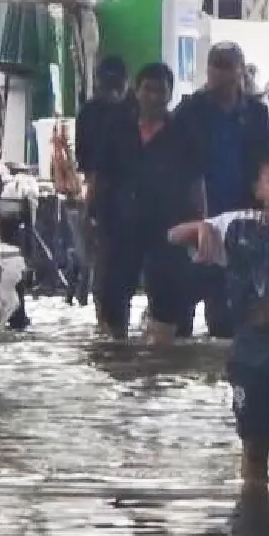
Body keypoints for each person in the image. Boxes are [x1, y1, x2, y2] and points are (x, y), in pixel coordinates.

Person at [167, 150, 269, 485]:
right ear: (259, 188)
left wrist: (225, 257)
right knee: (254, 445)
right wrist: (201, 227)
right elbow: (173, 235)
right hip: (248, 347)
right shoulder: (237, 222)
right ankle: (254, 512)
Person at [91, 62, 205, 343]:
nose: (153, 96)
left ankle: (161, 366)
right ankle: (115, 357)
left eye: (160, 90)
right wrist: (91, 216)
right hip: (120, 224)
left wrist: (200, 224)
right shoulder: (117, 129)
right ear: (136, 91)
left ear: (170, 95)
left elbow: (196, 181)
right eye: (148, 89)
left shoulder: (183, 133)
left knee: (168, 300)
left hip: (168, 227)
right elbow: (100, 176)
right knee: (113, 297)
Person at [176, 42, 269, 338]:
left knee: (230, 314)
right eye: (215, 65)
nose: (220, 73)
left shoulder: (258, 113)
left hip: (243, 220)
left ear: (240, 70)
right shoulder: (190, 110)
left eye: (227, 66)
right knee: (180, 310)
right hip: (196, 218)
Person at [75, 57, 132, 326]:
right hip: (110, 200)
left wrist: (89, 205)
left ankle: (108, 330)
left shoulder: (91, 112)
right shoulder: (93, 112)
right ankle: (109, 326)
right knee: (108, 274)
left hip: (116, 199)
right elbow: (89, 167)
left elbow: (88, 168)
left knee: (108, 272)